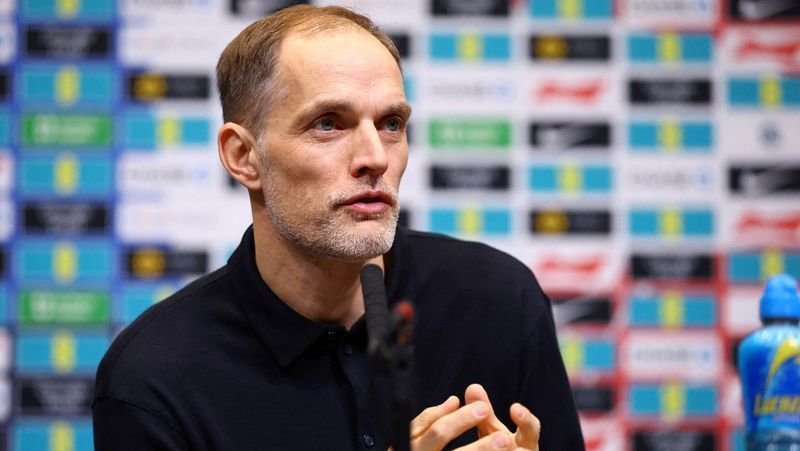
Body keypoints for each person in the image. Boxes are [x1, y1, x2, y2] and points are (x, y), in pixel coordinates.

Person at [92, 5, 584, 450]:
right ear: (243, 156)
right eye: (328, 123)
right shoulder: (154, 378)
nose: (375, 157)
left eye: (391, 123)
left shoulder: (500, 300)